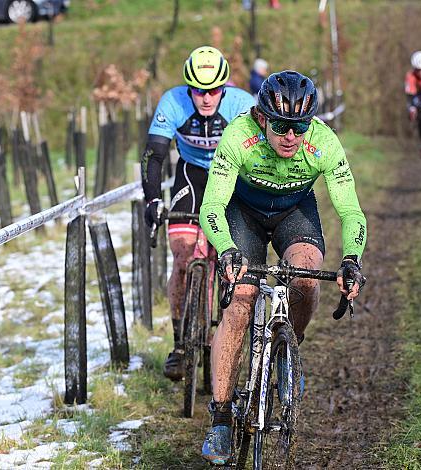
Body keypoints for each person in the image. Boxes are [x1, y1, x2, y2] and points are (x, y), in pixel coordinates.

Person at [198, 70, 367, 465]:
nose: (291, 137)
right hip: (244, 214)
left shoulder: (324, 143)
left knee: (307, 277)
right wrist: (225, 249)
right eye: (281, 127)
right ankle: (221, 419)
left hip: (295, 212)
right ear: (261, 118)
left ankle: (289, 350)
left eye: (299, 127)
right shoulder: (239, 136)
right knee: (241, 298)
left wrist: (351, 260)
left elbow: (351, 210)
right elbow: (212, 207)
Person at [141, 46, 256, 381]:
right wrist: (152, 200)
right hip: (191, 176)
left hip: (231, 177)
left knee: (230, 259)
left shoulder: (241, 104)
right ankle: (179, 344)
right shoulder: (173, 101)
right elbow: (154, 155)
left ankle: (222, 329)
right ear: (187, 88)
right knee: (182, 255)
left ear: (225, 87)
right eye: (198, 91)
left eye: (213, 91)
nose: (206, 99)